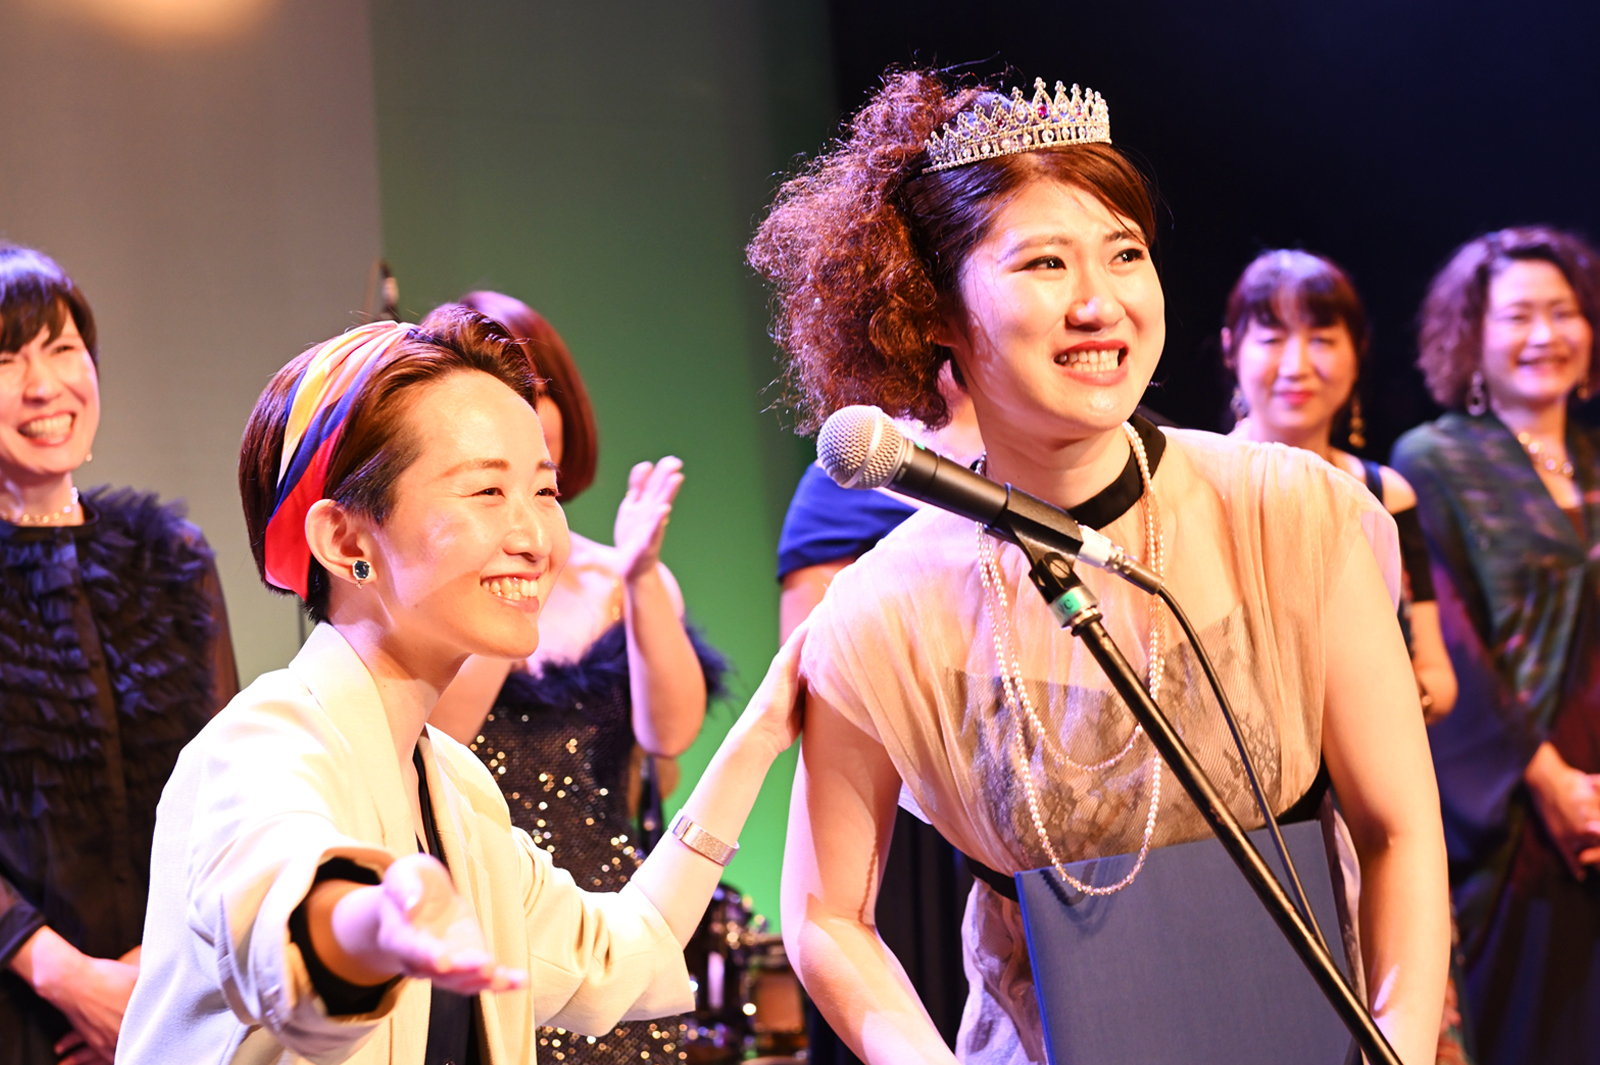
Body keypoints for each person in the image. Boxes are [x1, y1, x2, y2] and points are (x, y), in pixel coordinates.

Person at [748, 71, 1449, 1065]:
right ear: (932, 311)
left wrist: (1401, 1045)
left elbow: (1399, 831)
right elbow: (825, 915)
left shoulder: (1294, 512)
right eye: (1044, 262)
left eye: (1124, 254)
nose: (1097, 302)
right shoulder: (885, 608)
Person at [114, 310, 804, 1064]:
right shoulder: (265, 742)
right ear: (345, 540)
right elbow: (283, 909)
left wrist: (760, 735)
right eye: (486, 491)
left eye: (544, 492)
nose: (536, 539)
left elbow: (623, 953)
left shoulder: (458, 791)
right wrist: (374, 923)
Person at [427, 292, 726, 1064]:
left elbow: (671, 733)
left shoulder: (618, 577)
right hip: (482, 921)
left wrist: (641, 572)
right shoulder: (432, 592)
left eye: (534, 389)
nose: (521, 411)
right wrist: (511, 573)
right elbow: (441, 736)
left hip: (610, 919)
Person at [1222, 248, 1471, 1063]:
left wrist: (1377, 699)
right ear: (1231, 350)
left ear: (1358, 354)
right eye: (1271, 337)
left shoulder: (1387, 491)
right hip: (1261, 824)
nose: (1297, 364)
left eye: (1322, 338)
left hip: (1374, 814)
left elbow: (1436, 676)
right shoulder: (1200, 489)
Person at [0, 244, 238, 1065]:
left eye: (63, 349)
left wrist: (154, 970)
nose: (43, 385)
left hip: (173, 994)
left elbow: (226, 777)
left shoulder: (171, 554)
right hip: (23, 1007)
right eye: (6, 359)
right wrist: (67, 976)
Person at [1391, 226, 1600, 1065]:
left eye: (1563, 311)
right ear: (1472, 338)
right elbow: (1452, 644)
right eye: (1518, 316)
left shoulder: (1594, 458)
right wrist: (1553, 782)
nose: (1544, 334)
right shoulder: (1434, 460)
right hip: (1518, 813)